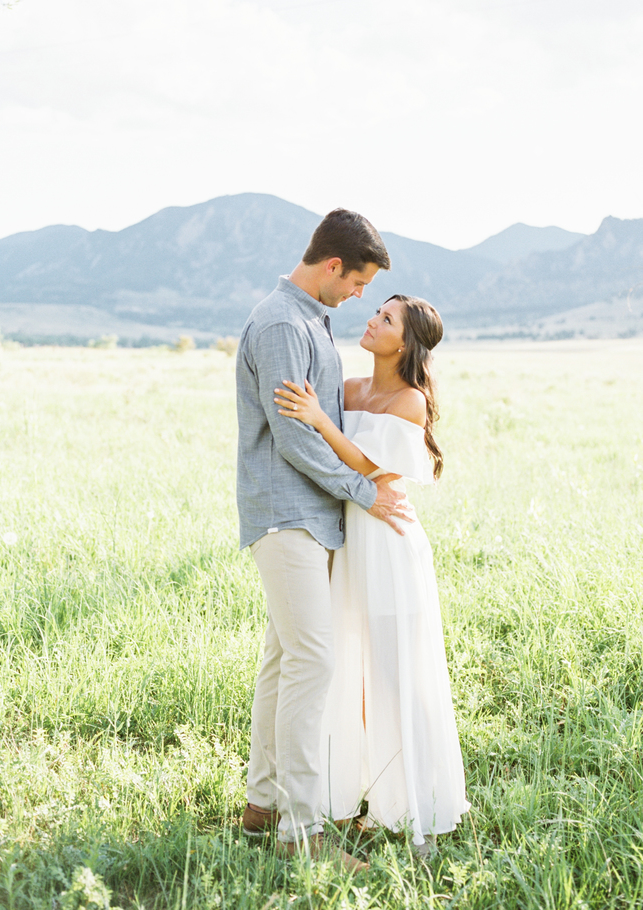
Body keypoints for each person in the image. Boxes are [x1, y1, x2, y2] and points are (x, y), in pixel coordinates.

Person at [236, 209, 410, 872]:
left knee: (286, 661)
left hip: (307, 517)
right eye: (360, 282)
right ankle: (302, 835)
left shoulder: (311, 319)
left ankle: (262, 807)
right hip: (287, 515)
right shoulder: (283, 323)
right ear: (333, 265)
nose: (360, 295)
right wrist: (366, 492)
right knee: (314, 663)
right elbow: (293, 437)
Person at [273, 294, 470, 853]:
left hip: (386, 542)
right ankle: (352, 795)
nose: (373, 320)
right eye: (376, 312)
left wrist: (317, 418)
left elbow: (363, 464)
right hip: (345, 541)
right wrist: (315, 412)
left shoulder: (409, 400)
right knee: (344, 670)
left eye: (386, 319)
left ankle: (414, 808)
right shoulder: (349, 388)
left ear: (404, 342)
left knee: (394, 672)